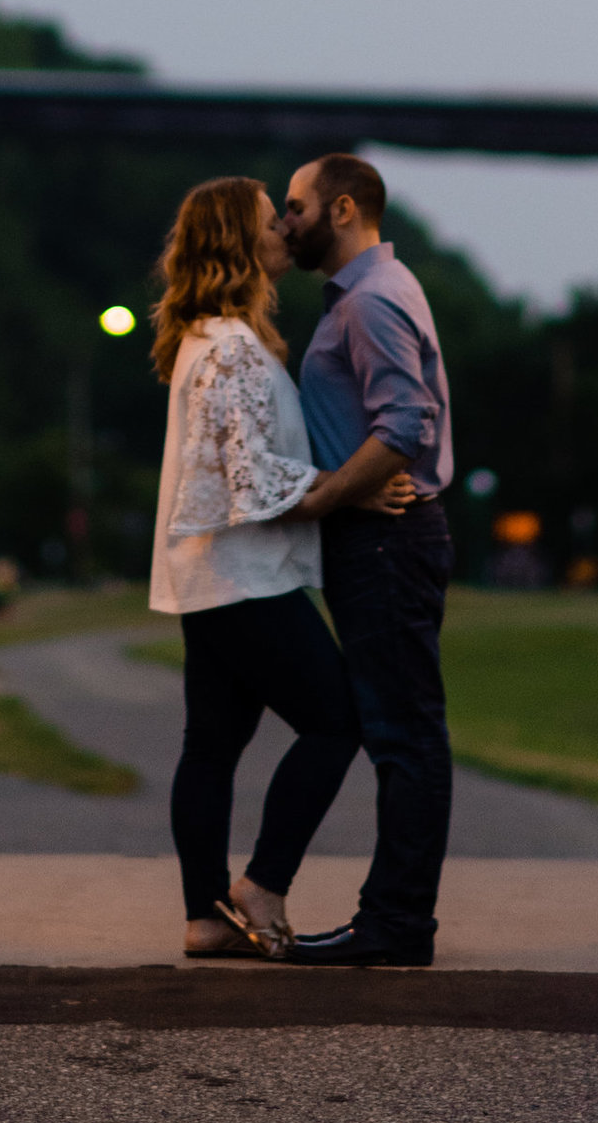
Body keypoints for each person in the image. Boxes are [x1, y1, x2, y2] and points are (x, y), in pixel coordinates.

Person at [148, 174, 407, 960]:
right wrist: (352, 491)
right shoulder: (228, 346)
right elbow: (249, 477)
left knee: (212, 745)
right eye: (271, 221)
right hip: (243, 578)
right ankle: (259, 885)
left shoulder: (212, 337)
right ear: (238, 241)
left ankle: (203, 916)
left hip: (215, 575)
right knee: (337, 721)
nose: (285, 232)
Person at [278, 151, 455, 969]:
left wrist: (325, 497)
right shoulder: (370, 293)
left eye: (297, 205)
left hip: (386, 538)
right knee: (401, 729)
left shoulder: (373, 300)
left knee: (402, 733)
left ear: (343, 209)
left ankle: (395, 924)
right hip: (381, 536)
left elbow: (406, 424)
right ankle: (395, 918)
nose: (288, 220)